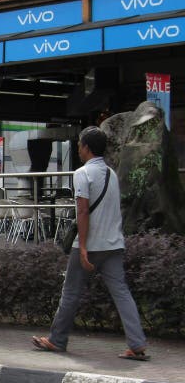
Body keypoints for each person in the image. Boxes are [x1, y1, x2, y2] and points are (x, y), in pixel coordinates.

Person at [32, 126, 149, 360]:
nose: (78, 148)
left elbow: (82, 212)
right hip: (114, 244)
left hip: (89, 246)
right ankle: (137, 344)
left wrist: (83, 246)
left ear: (86, 147)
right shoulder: (111, 174)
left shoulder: (82, 174)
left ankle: (57, 340)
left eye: (79, 144)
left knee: (71, 292)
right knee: (122, 293)